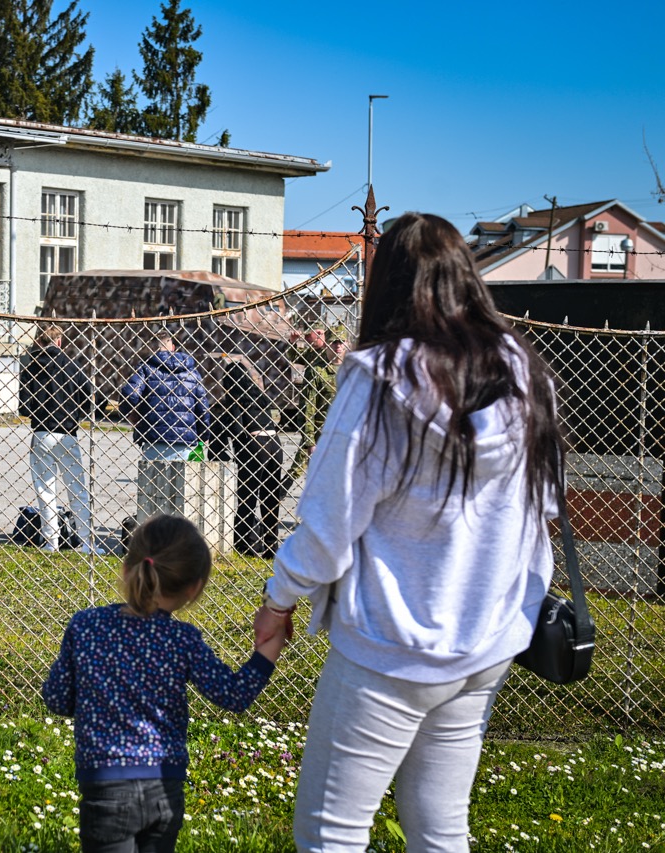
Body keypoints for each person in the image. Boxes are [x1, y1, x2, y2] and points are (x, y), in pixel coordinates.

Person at [254, 212, 564, 852]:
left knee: (330, 832)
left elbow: (329, 524)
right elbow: (547, 509)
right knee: (440, 827)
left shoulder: (380, 381)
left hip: (389, 648)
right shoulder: (526, 372)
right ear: (467, 278)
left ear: (385, 283)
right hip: (489, 637)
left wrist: (279, 599)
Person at [43, 514, 288, 853]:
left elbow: (57, 698)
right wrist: (269, 648)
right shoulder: (181, 639)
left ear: (127, 569)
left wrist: (91, 699)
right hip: (164, 786)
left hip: (105, 786)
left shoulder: (86, 625)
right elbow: (233, 695)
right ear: (194, 588)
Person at [19, 324, 105, 555]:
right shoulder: (72, 366)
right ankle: (87, 542)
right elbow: (92, 400)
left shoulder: (31, 367)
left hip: (41, 432)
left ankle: (51, 542)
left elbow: (24, 407)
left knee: (45, 490)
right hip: (67, 432)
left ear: (39, 341)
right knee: (77, 489)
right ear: (59, 342)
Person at [210, 355, 286, 558]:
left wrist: (220, 449)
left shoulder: (234, 400)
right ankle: (271, 546)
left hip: (256, 447)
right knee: (270, 498)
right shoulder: (259, 396)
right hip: (275, 445)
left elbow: (234, 429)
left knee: (248, 497)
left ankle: (245, 545)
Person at [118, 331, 210, 461]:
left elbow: (129, 394)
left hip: (154, 438)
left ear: (152, 349)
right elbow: (202, 407)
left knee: (153, 479)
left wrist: (135, 419)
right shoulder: (191, 372)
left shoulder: (146, 368)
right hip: (185, 440)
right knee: (182, 480)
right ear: (173, 347)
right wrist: (203, 435)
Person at [290, 327, 336, 477]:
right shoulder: (314, 355)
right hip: (315, 422)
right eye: (308, 335)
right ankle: (277, 494)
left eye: (314, 334)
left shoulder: (333, 355)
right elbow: (297, 357)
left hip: (327, 422)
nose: (309, 338)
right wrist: (294, 342)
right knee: (302, 463)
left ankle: (278, 493)